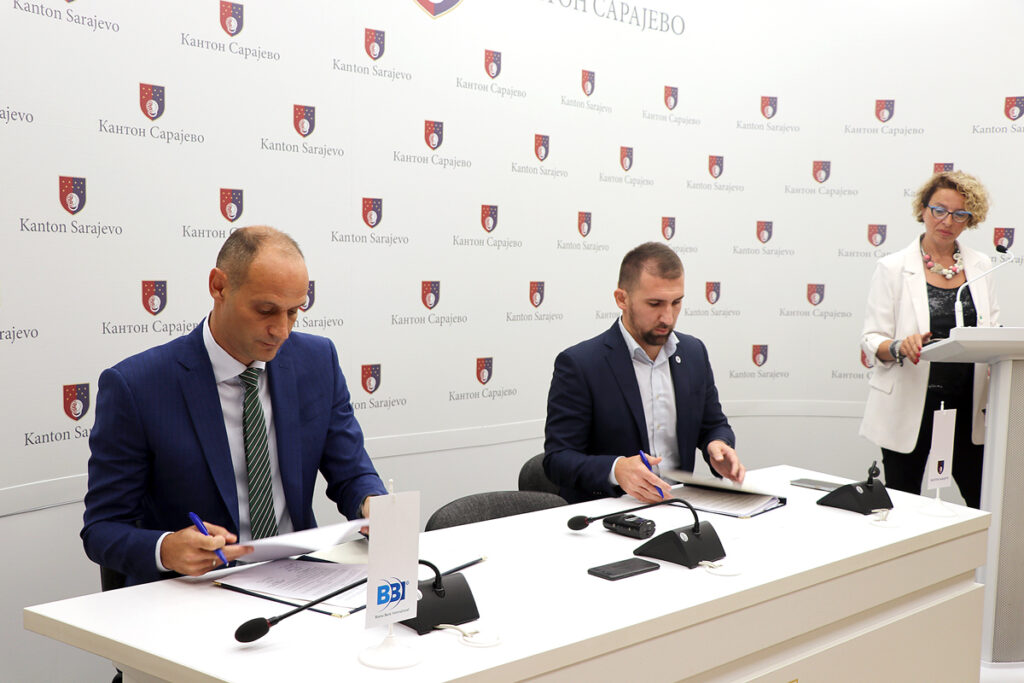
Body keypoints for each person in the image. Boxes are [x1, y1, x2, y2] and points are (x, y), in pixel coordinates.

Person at [82, 226, 387, 585]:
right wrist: (166, 549)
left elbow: (351, 473)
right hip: (194, 593)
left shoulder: (317, 361)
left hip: (302, 582)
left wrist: (372, 503)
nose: (281, 331)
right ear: (219, 286)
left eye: (293, 312)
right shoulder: (137, 386)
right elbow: (103, 528)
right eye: (266, 311)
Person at [543, 242, 745, 504]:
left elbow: (713, 424)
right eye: (654, 304)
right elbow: (558, 459)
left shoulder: (694, 353)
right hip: (610, 512)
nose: (668, 317)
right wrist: (616, 469)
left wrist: (717, 445)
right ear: (622, 299)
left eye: (676, 302)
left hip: (681, 506)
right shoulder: (580, 364)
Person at [859, 171, 999, 508]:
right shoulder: (892, 267)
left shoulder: (982, 265)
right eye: (939, 210)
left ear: (970, 220)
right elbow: (872, 338)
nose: (947, 221)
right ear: (923, 210)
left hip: (968, 408)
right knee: (904, 505)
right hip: (911, 406)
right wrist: (899, 347)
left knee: (983, 503)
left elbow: (992, 331)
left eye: (959, 214)